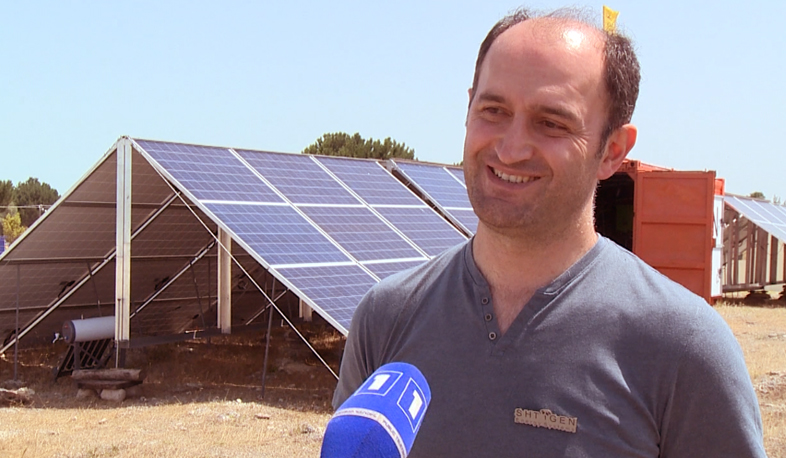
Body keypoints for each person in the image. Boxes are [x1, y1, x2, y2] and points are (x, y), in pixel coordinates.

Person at [333, 7, 766, 457]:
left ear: (612, 151)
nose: (511, 147)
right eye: (493, 110)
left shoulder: (683, 348)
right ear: (467, 110)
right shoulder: (387, 317)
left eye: (552, 123)